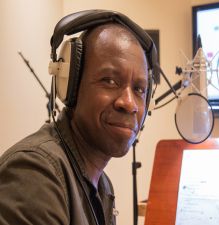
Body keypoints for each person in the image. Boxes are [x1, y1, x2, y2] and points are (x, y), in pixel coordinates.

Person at [0, 10, 155, 225]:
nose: (129, 103)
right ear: (70, 85)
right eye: (109, 81)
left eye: (139, 89)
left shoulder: (101, 185)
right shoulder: (35, 174)